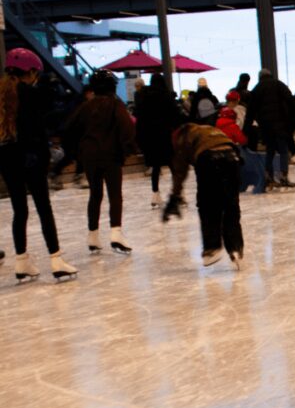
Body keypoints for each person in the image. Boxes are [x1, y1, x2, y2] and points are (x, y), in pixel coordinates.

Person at [0, 48, 77, 282]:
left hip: (7, 158)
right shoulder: (30, 95)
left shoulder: (2, 94)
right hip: (31, 158)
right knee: (44, 208)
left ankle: (22, 261)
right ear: (30, 71)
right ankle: (56, 259)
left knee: (19, 210)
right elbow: (38, 127)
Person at [64, 69, 135, 254]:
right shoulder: (115, 104)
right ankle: (116, 232)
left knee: (95, 194)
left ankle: (93, 235)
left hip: (89, 156)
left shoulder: (85, 107)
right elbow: (126, 127)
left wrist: (78, 150)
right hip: (111, 155)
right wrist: (126, 148)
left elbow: (68, 128)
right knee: (114, 194)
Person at [163, 123, 244, 269]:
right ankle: (235, 247)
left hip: (209, 158)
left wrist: (175, 195)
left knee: (207, 204)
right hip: (232, 156)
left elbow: (180, 171)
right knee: (231, 204)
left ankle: (212, 248)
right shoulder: (205, 128)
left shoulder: (180, 138)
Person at [247, 68, 295, 189]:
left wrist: (246, 128)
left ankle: (268, 177)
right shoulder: (278, 84)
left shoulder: (256, 89)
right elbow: (290, 99)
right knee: (283, 151)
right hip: (280, 125)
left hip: (266, 126)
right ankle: (283, 177)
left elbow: (250, 111)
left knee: (270, 151)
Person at [134, 73, 179, 208]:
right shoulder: (166, 96)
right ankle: (176, 194)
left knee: (156, 166)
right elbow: (175, 116)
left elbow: (139, 117)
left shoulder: (143, 97)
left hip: (150, 137)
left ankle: (155, 194)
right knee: (172, 164)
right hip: (165, 135)